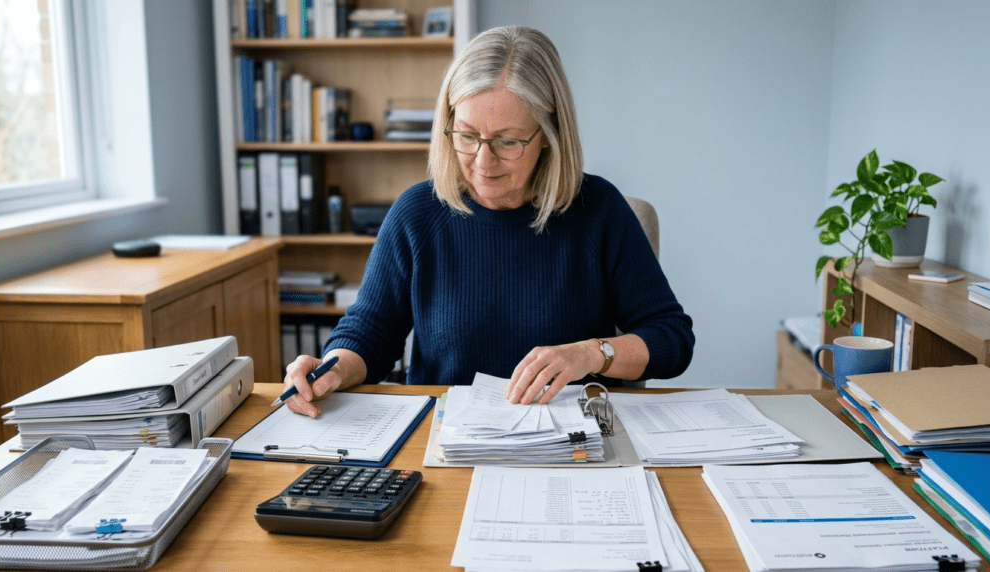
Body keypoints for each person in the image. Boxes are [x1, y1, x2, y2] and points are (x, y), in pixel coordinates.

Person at [283, 25, 694, 418]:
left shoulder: (599, 210)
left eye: (507, 141)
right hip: (447, 448)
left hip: (571, 448)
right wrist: (331, 369)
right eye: (466, 136)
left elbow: (672, 338)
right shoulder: (417, 214)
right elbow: (370, 333)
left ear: (549, 136)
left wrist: (592, 353)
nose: (482, 161)